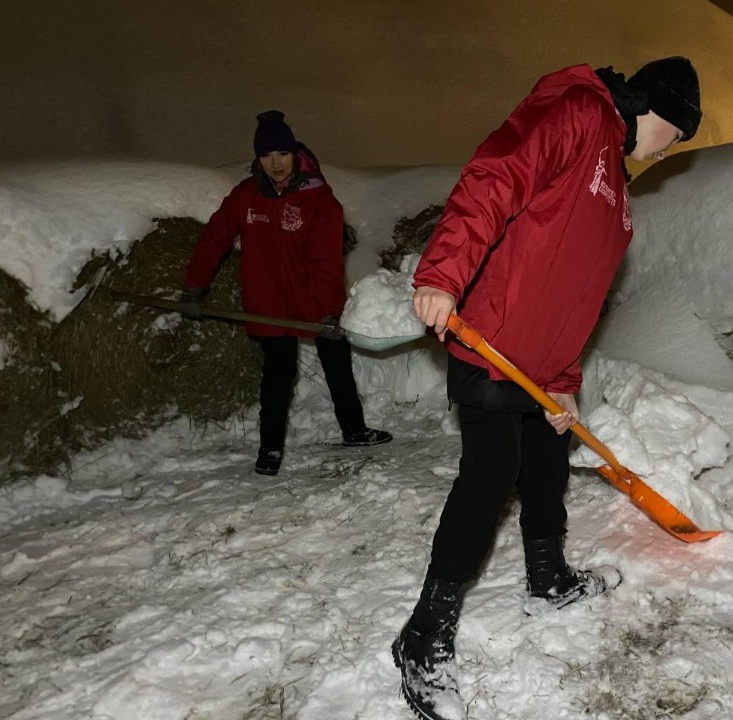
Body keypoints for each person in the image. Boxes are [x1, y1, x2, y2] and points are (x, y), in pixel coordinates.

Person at [392, 58, 702, 719]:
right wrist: (442, 273)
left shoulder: (619, 197)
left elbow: (575, 297)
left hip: (538, 368)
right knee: (490, 474)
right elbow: (496, 174)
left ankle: (548, 576)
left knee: (545, 464)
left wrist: (564, 384)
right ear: (653, 109)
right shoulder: (580, 113)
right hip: (490, 339)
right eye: (675, 134)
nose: (669, 149)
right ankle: (423, 634)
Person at [181, 110, 391, 477]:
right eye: (266, 155)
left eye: (282, 153)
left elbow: (325, 261)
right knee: (277, 374)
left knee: (336, 362)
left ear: (295, 153)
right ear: (257, 158)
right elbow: (214, 238)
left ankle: (354, 430)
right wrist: (195, 286)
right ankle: (270, 447)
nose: (275, 164)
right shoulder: (246, 196)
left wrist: (329, 310)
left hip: (315, 300)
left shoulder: (319, 199)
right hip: (271, 303)